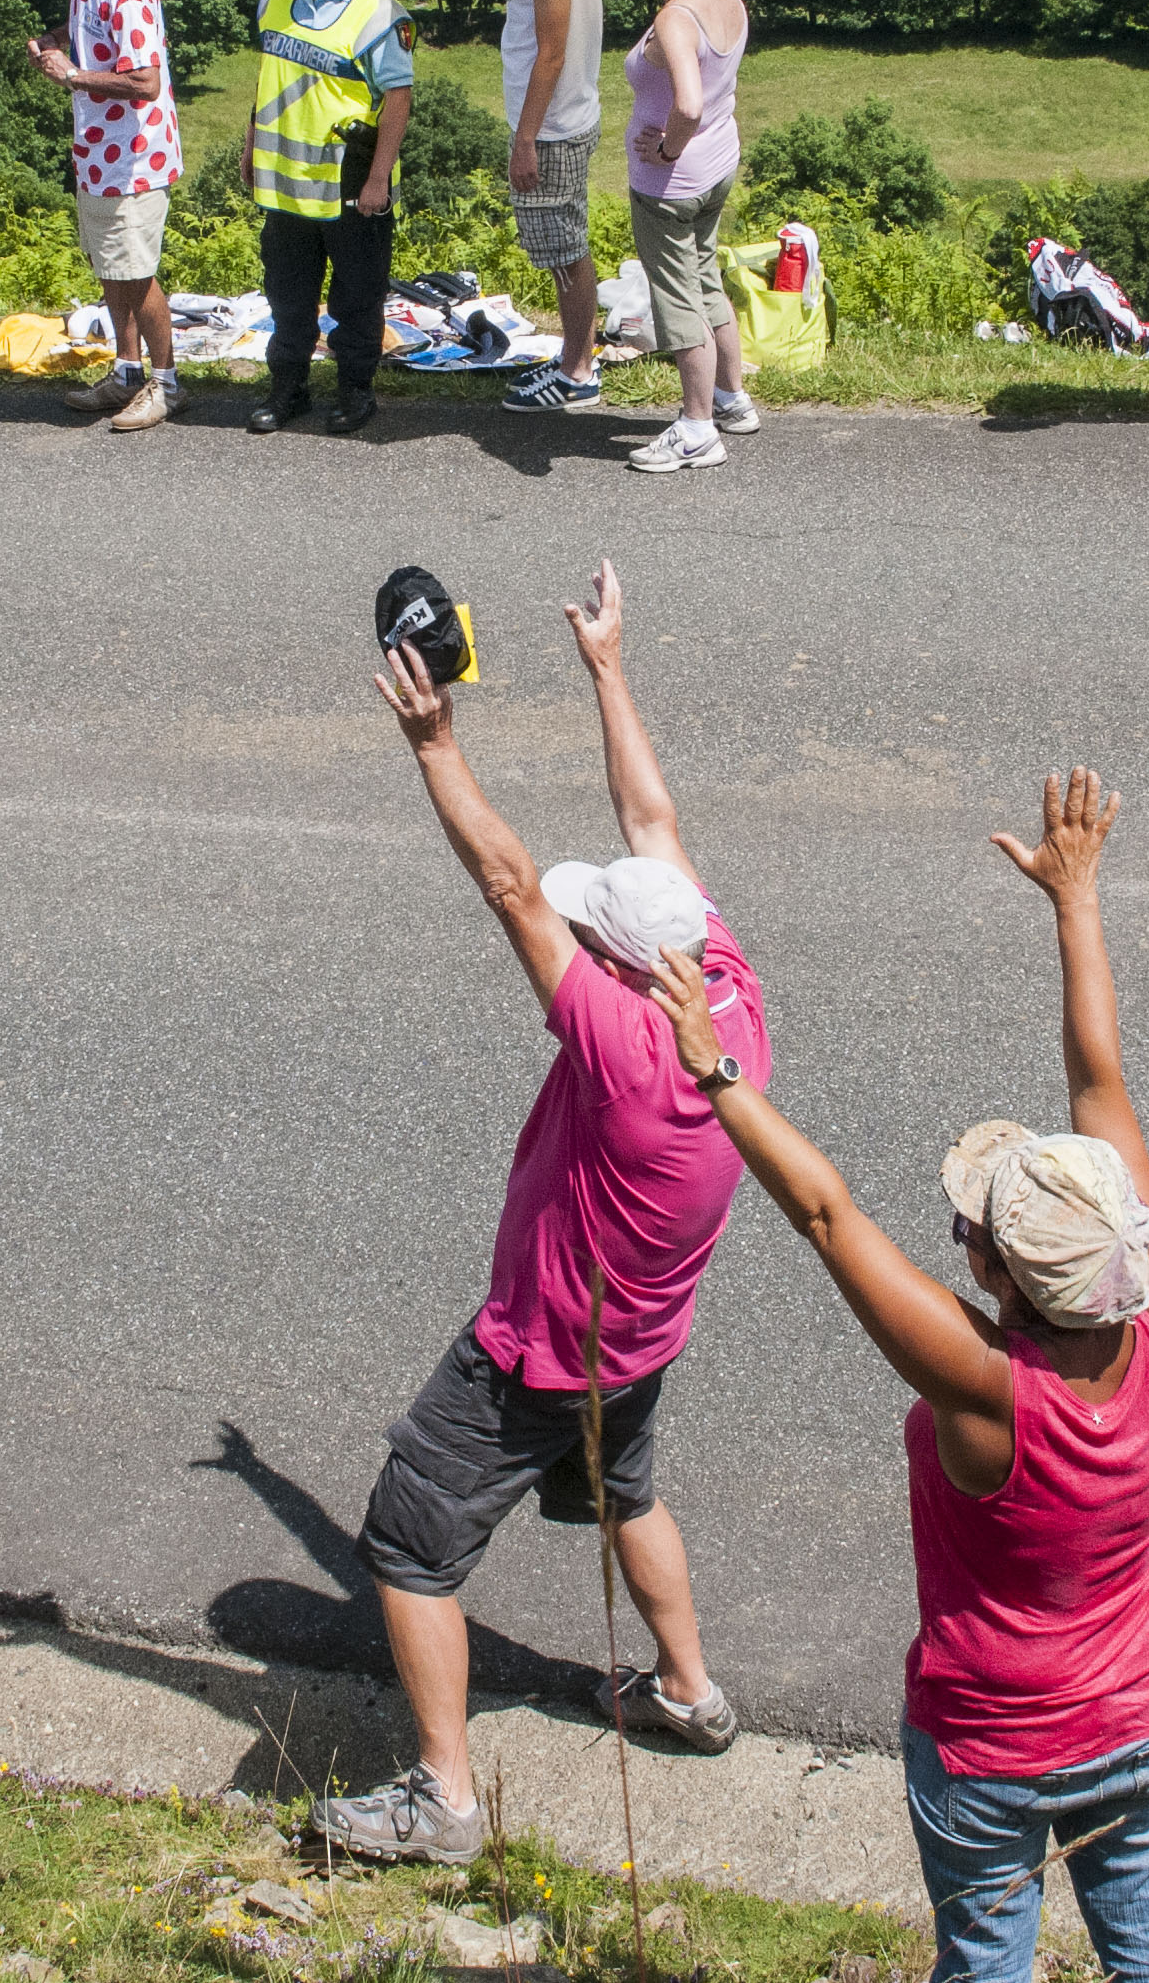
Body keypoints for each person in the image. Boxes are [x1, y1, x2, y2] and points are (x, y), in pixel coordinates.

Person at [641, 768, 1149, 1983]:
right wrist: (1075, 899)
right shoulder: (1145, 1298)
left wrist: (716, 1071)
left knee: (985, 1964)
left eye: (969, 1231)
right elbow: (1099, 1080)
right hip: (1146, 1721)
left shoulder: (987, 1391)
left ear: (996, 1275)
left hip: (993, 1751)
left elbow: (828, 1217)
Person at [309, 562, 768, 1865]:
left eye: (590, 934)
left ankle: (443, 1799)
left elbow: (513, 885)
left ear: (620, 966)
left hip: (537, 1352)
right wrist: (606, 667)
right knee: (626, 1493)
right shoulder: (725, 997)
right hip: (636, 1345)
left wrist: (434, 744)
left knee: (406, 1544)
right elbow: (652, 816)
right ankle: (686, 1690)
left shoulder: (622, 1051)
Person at [243, 0, 414, 438]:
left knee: (357, 297)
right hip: (286, 185)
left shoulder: (379, 14)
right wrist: (250, 145)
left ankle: (355, 390)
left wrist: (379, 177)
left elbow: (398, 100)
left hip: (350, 180)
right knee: (287, 297)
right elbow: (268, 79)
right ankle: (287, 388)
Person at [30, 0, 185, 433]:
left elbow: (144, 80)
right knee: (112, 266)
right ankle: (126, 371)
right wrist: (57, 38)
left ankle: (167, 384)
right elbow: (95, 35)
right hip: (101, 151)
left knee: (136, 273)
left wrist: (73, 74)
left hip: (133, 155)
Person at [619, 0, 752, 475]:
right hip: (718, 166)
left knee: (678, 299)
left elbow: (689, 105)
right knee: (704, 277)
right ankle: (732, 399)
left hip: (670, 186)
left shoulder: (674, 18)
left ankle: (697, 430)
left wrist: (667, 150)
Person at [489, 0, 608, 415]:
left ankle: (578, 372)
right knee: (565, 247)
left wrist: (525, 139)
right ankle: (575, 357)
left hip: (552, 127)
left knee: (564, 254)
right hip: (566, 116)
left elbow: (551, 53)